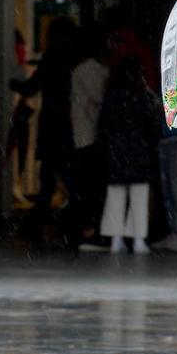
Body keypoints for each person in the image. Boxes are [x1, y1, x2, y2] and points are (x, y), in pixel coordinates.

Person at [10, 17, 81, 246]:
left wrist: (10, 82)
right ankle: (73, 229)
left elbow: (32, 87)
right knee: (72, 183)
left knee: (47, 183)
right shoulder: (74, 57)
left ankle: (34, 228)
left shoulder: (52, 57)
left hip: (51, 126)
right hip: (69, 126)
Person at [95, 56, 162, 253]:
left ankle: (116, 239)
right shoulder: (143, 95)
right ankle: (138, 239)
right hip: (139, 153)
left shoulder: (111, 96)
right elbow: (155, 123)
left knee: (115, 196)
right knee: (139, 197)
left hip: (116, 153)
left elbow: (103, 126)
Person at [70, 31, 110, 249]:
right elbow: (98, 96)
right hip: (89, 136)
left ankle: (84, 230)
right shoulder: (90, 69)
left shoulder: (81, 69)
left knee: (85, 187)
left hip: (84, 136)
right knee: (90, 187)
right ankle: (88, 231)